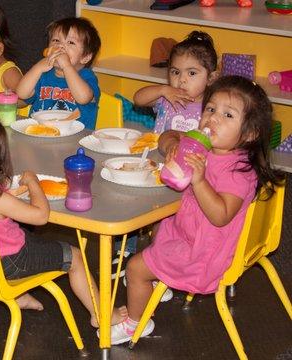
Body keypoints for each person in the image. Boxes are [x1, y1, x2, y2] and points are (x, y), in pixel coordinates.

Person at [108, 76, 285, 345]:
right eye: (211, 109)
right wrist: (171, 146)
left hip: (204, 254)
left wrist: (199, 180)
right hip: (189, 233)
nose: (213, 119)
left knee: (134, 268)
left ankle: (135, 323)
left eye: (227, 115)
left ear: (249, 134)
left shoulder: (237, 172)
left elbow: (221, 215)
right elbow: (168, 136)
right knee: (158, 228)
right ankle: (157, 280)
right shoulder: (209, 146)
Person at [0, 117, 128, 326]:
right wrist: (33, 182)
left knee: (24, 236)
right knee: (74, 256)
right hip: (6, 264)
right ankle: (102, 316)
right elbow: (40, 216)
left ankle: (18, 296)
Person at [118, 31, 219, 280]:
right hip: (154, 164)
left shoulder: (211, 106)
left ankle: (157, 264)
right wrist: (163, 90)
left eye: (192, 73)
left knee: (167, 221)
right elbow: (137, 98)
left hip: (185, 176)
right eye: (175, 72)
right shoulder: (167, 97)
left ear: (212, 77)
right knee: (135, 203)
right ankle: (128, 249)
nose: (181, 80)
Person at [16, 17, 101, 129]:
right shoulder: (42, 74)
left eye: (70, 42)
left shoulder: (86, 76)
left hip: (74, 140)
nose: (60, 46)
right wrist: (38, 68)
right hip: (40, 134)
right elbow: (21, 93)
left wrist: (66, 66)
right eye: (56, 40)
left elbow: (83, 98)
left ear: (85, 57)